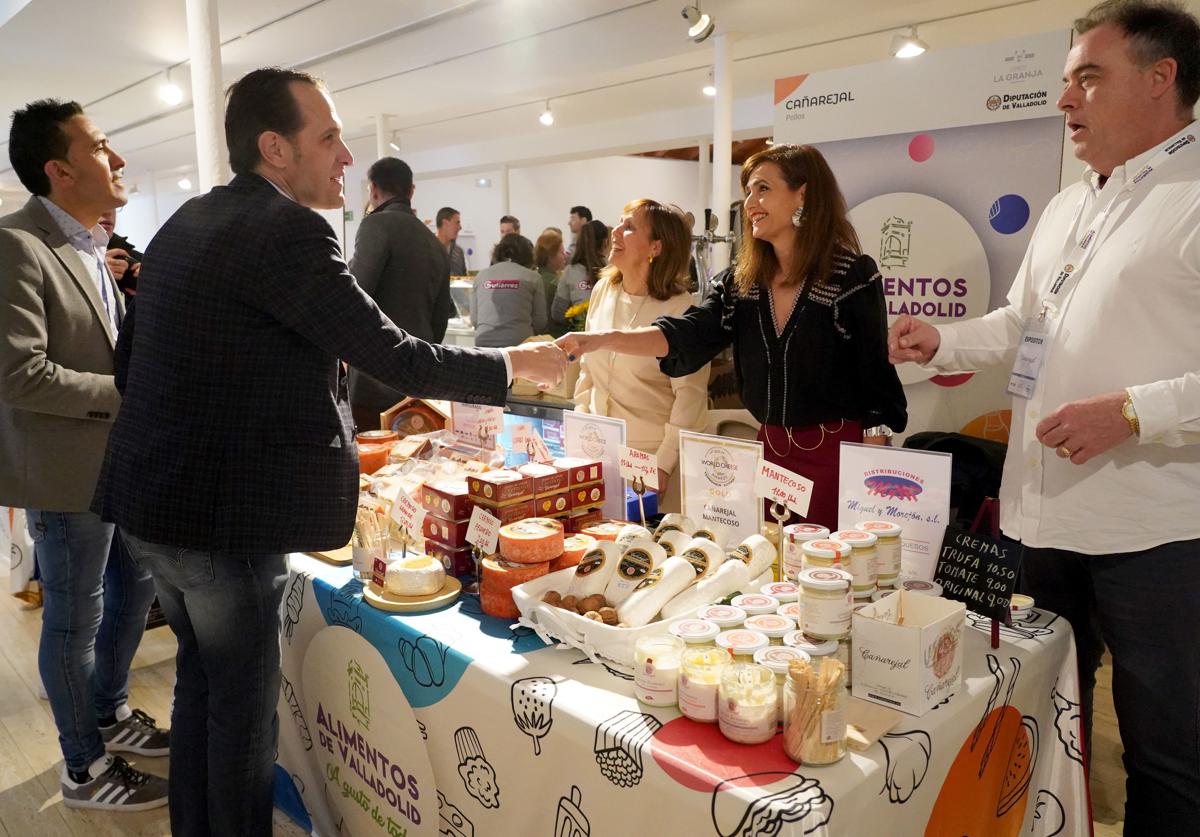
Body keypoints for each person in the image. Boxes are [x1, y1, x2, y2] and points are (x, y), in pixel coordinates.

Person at [91, 68, 565, 836]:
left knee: (200, 688)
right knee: (242, 718)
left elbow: (128, 358)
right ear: (275, 148)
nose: (347, 155)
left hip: (150, 504)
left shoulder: (188, 221)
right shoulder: (287, 229)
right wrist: (514, 368)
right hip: (224, 522)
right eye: (329, 136)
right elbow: (392, 353)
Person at [888, 2, 1200, 830]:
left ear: (1161, 78)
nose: (1066, 101)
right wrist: (940, 338)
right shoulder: (1070, 204)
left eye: (1088, 79)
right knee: (1042, 710)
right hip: (1045, 516)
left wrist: (1135, 412)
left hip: (1156, 536)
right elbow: (1025, 325)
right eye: (1066, 82)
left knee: (1167, 754)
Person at [559, 144, 906, 529]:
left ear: (802, 194)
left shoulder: (850, 275)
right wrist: (601, 339)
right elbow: (687, 334)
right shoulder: (742, 282)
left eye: (762, 189)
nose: (750, 203)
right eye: (748, 192)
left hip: (836, 453)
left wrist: (873, 460)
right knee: (772, 560)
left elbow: (876, 375)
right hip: (772, 451)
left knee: (827, 564)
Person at [0, 99, 168, 811]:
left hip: (118, 465)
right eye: (102, 147)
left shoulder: (90, 243)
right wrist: (129, 395)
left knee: (136, 592)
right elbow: (18, 372)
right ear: (60, 170)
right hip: (67, 472)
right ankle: (82, 766)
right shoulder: (16, 245)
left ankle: (108, 710)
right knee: (74, 616)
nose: (118, 158)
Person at [573, 199, 709, 511]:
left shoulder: (682, 311)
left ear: (656, 248)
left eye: (630, 226)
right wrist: (580, 430)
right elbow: (587, 372)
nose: (615, 231)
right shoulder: (603, 292)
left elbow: (690, 401)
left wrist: (661, 467)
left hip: (651, 466)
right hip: (597, 456)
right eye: (619, 222)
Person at [348, 157, 456, 429]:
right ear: (411, 191)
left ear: (373, 189)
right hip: (418, 378)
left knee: (373, 465)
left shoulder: (376, 225)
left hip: (374, 379)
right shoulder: (433, 242)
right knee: (413, 464)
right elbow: (440, 317)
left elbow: (355, 295)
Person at [471, 232, 548, 348]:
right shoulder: (533, 278)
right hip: (521, 346)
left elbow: (474, 320)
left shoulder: (481, 276)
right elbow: (540, 322)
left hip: (484, 345)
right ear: (528, 255)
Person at [551, 218, 608, 327]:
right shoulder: (614, 270)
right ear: (605, 242)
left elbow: (558, 313)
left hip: (580, 333)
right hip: (610, 333)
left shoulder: (570, 272)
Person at [99, 208, 141, 295]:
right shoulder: (64, 257)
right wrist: (94, 271)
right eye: (99, 201)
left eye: (114, 204)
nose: (109, 211)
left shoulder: (139, 260)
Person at [534, 228, 567, 335]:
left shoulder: (534, 277)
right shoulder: (555, 283)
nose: (565, 256)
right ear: (551, 257)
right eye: (562, 252)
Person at [436, 205, 466, 276]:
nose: (460, 227)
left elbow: (464, 278)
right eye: (457, 222)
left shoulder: (459, 252)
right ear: (445, 223)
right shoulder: (428, 250)